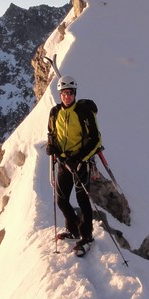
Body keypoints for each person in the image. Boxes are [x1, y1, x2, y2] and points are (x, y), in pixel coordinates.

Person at [46, 75, 102, 254]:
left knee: (83, 199)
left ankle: (87, 237)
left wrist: (81, 158)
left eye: (70, 93)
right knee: (61, 199)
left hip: (81, 162)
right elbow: (51, 133)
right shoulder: (55, 112)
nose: (66, 96)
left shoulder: (83, 112)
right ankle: (73, 229)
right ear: (59, 94)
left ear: (75, 93)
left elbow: (96, 138)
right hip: (64, 161)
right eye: (63, 93)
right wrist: (51, 147)